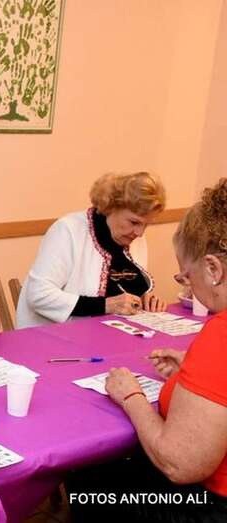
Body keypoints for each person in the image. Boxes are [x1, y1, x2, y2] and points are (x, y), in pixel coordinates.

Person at [67, 179, 227, 522]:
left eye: (187, 277)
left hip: (209, 508)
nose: (190, 289)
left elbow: (179, 463)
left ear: (214, 269)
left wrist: (131, 397)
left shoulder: (221, 334)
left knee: (88, 478)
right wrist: (192, 372)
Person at [16, 172, 168, 328]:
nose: (140, 233)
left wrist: (143, 299)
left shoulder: (134, 238)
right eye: (134, 222)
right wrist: (105, 305)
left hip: (112, 333)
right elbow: (38, 295)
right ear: (111, 207)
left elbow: (119, 287)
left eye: (146, 225)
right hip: (55, 335)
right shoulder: (68, 230)